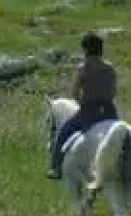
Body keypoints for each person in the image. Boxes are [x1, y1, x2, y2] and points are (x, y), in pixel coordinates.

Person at [47, 32, 118, 179]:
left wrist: (82, 104)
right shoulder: (109, 68)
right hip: (110, 111)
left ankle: (55, 168)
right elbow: (113, 92)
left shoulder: (83, 67)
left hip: (89, 112)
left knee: (63, 132)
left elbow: (74, 92)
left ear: (85, 49)